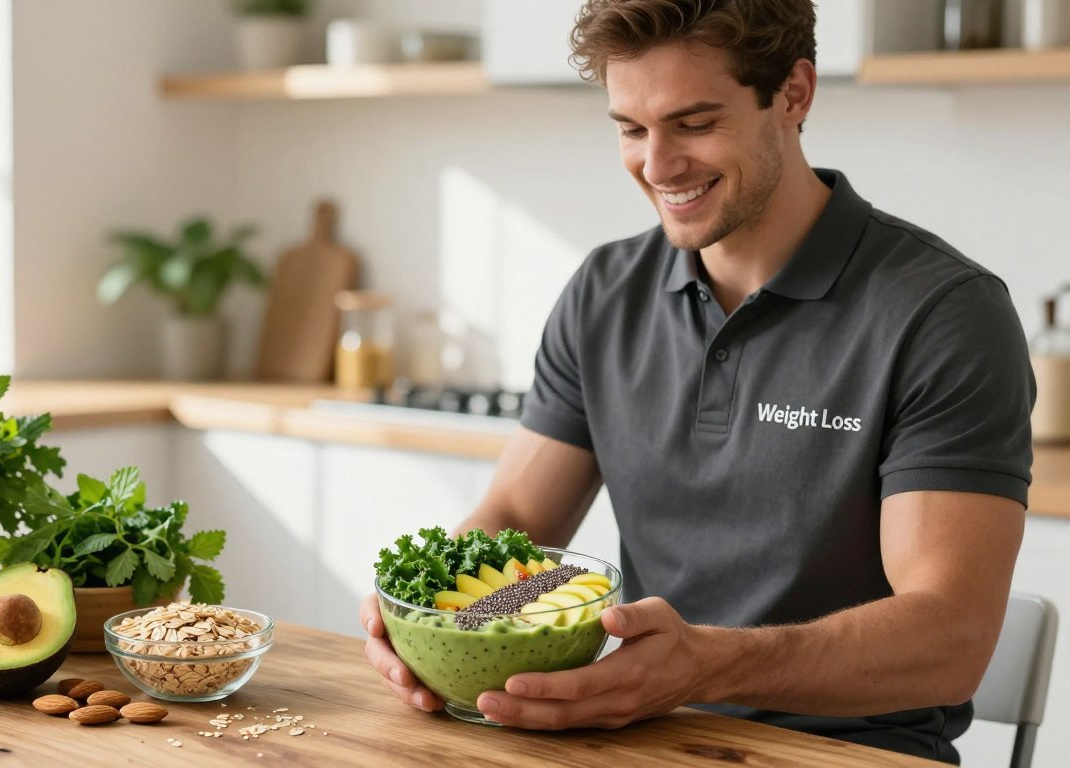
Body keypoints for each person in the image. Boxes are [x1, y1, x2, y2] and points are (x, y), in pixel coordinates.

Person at [358, 0, 1034, 763]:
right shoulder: (605, 290)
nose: (657, 164)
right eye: (631, 129)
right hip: (639, 738)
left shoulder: (940, 313)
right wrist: (421, 619)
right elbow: (517, 511)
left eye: (694, 123)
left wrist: (706, 663)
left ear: (794, 94)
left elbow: (949, 637)